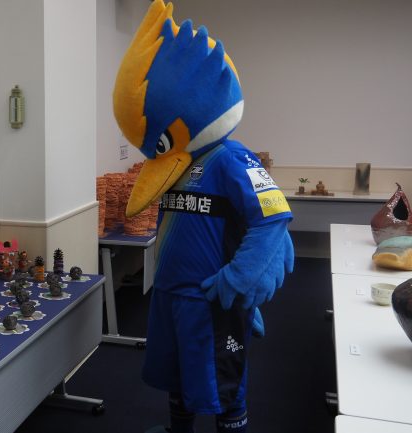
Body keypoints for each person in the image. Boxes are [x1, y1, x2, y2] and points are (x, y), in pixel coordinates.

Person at [112, 2, 294, 432]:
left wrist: (238, 279)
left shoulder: (232, 158)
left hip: (211, 300)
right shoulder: (176, 163)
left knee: (223, 385)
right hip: (170, 294)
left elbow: (273, 217)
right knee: (177, 378)